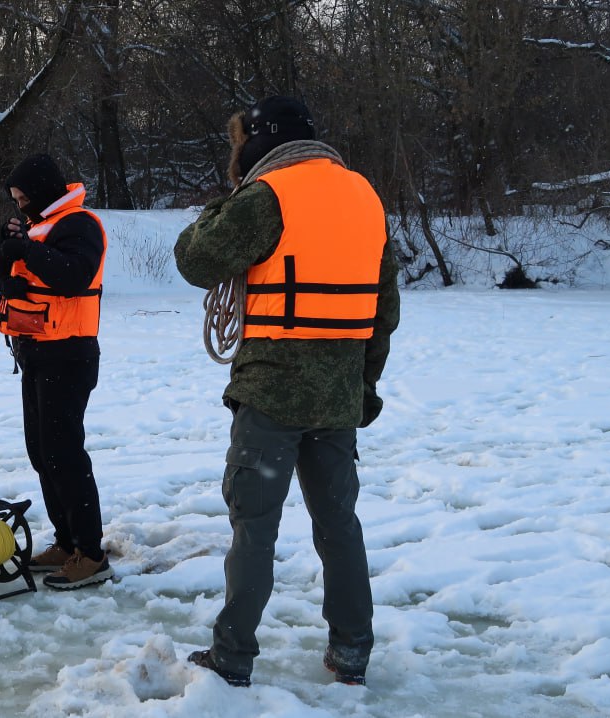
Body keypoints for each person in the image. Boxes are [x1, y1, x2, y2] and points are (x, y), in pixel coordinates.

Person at [174, 96, 400, 687]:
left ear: (258, 141)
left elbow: (196, 261)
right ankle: (351, 651)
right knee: (339, 526)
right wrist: (363, 385)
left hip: (271, 393)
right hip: (337, 396)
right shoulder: (364, 195)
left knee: (254, 528)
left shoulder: (268, 193)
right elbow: (384, 311)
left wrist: (223, 205)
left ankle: (232, 657)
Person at [0, 153, 113, 590]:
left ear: (42, 192)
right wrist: (2, 254)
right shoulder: (38, 225)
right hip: (36, 351)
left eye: (23, 197)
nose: (20, 205)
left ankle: (91, 554)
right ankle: (66, 541)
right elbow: (15, 271)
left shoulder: (79, 224)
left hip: (70, 354)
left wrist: (27, 249)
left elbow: (73, 276)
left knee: (64, 454)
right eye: (16, 199)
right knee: (42, 453)